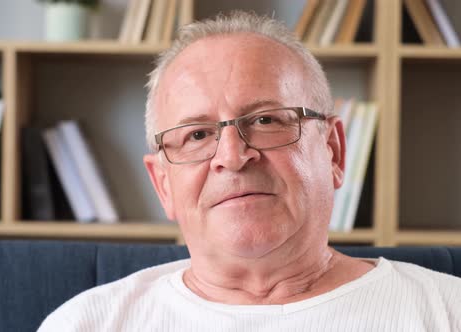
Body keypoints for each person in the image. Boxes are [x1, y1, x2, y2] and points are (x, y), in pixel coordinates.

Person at [38, 11, 461, 331]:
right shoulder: (86, 324)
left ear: (332, 152)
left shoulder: (447, 311)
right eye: (198, 134)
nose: (233, 155)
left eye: (265, 120)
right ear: (162, 184)